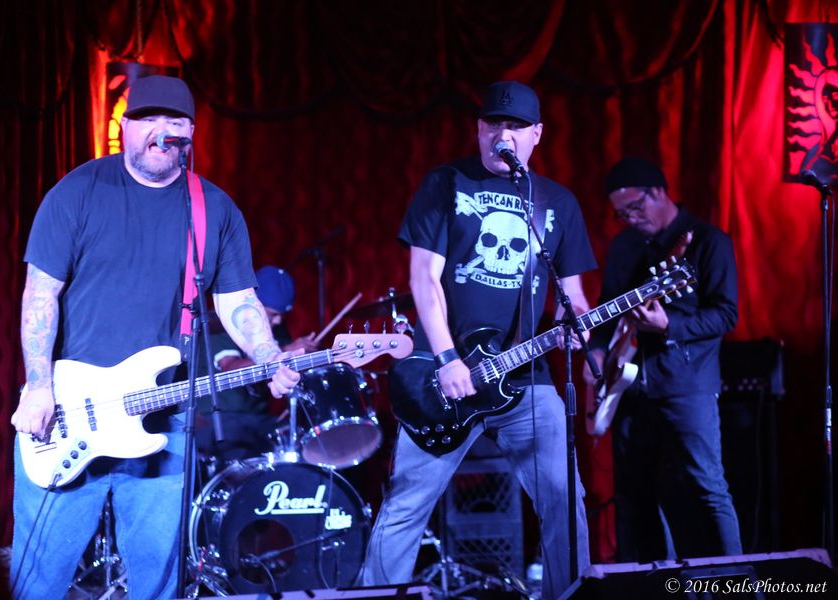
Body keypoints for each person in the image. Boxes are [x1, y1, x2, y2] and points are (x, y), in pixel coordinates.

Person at [9, 75, 300, 600]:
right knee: (40, 578)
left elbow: (236, 301)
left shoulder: (213, 210)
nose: (160, 131)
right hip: (70, 410)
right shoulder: (77, 191)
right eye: (147, 119)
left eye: (174, 121)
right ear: (125, 126)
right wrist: (38, 386)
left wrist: (269, 355)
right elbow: (40, 294)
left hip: (163, 417)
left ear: (190, 132)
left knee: (157, 581)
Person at [359, 80, 595, 599]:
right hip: (443, 374)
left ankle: (572, 595)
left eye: (515, 127)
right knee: (406, 506)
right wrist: (447, 358)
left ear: (537, 134)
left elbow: (572, 295)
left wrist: (576, 321)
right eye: (493, 125)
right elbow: (423, 277)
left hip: (524, 375)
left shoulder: (557, 202)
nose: (502, 135)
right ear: (479, 128)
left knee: (564, 498)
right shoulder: (446, 183)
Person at [583, 157, 742, 563]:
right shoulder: (624, 247)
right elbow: (607, 307)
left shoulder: (708, 242)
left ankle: (732, 580)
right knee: (634, 496)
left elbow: (726, 314)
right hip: (628, 388)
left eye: (635, 208)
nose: (630, 219)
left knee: (707, 488)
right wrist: (597, 351)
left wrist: (669, 324)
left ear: (658, 192)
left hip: (686, 384)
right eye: (621, 214)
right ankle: (653, 585)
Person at [196, 265, 318, 463]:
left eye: (281, 316)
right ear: (255, 307)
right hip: (220, 416)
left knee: (301, 446)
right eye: (272, 314)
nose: (277, 322)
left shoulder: (278, 330)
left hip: (258, 418)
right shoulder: (222, 324)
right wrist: (285, 350)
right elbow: (231, 368)